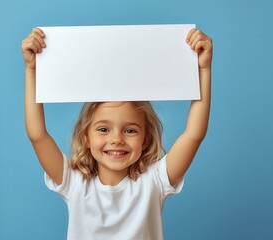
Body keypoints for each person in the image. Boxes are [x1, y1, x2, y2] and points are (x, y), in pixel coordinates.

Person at [21, 27, 213, 240]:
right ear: (86, 137)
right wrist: (32, 70)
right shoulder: (74, 183)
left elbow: (194, 134)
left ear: (145, 138)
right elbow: (37, 135)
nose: (116, 140)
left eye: (130, 130)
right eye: (103, 129)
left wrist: (203, 69)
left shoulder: (154, 181)